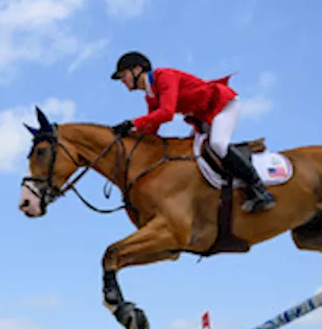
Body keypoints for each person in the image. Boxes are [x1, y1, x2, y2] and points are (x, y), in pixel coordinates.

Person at [110, 51, 276, 212]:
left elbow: (167, 113)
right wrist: (130, 138)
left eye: (123, 75)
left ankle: (259, 189)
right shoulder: (150, 96)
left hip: (222, 106)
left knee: (218, 144)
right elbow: (151, 129)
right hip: (203, 118)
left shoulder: (163, 76)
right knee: (191, 154)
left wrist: (132, 123)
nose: (122, 81)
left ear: (137, 70)